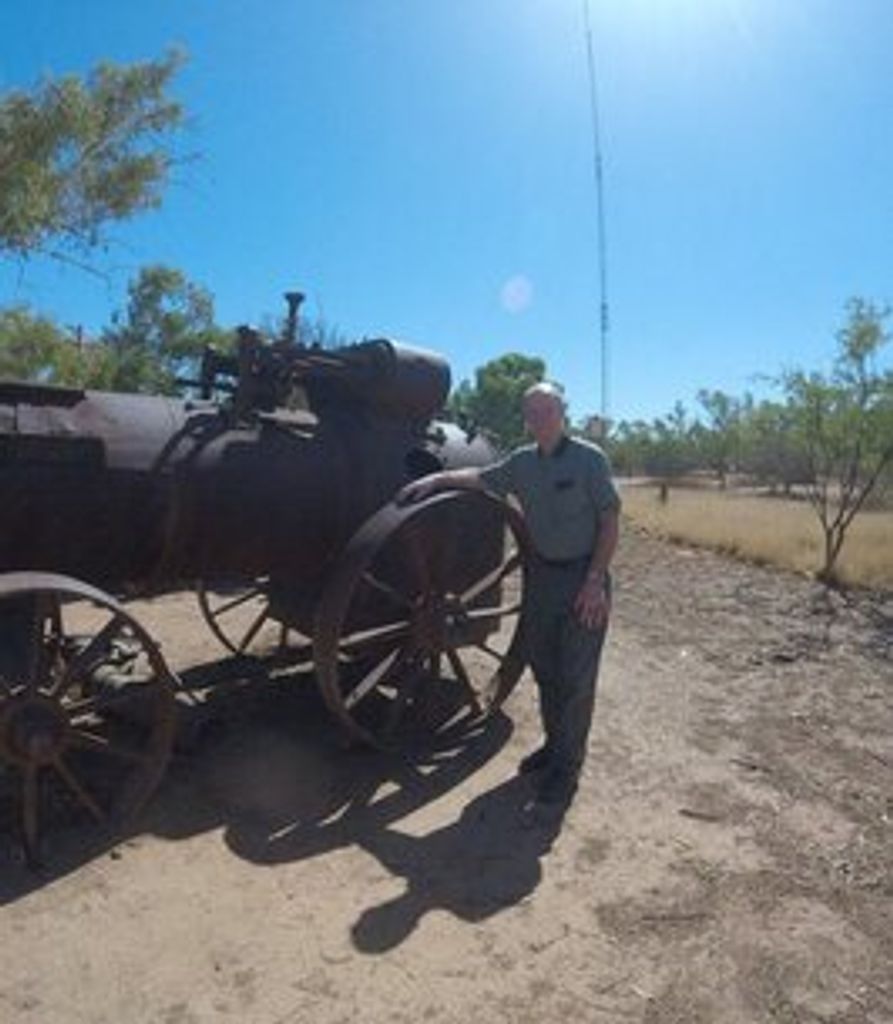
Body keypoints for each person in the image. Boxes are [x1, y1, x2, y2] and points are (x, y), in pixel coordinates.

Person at [399, 381, 620, 810]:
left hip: (583, 578)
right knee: (546, 669)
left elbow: (610, 522)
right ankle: (554, 748)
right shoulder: (522, 462)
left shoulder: (589, 459)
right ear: (526, 419)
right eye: (532, 413)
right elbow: (480, 478)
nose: (540, 419)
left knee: (576, 679)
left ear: (563, 413)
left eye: (548, 410)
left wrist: (595, 581)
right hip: (543, 578)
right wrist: (436, 479)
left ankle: (566, 771)